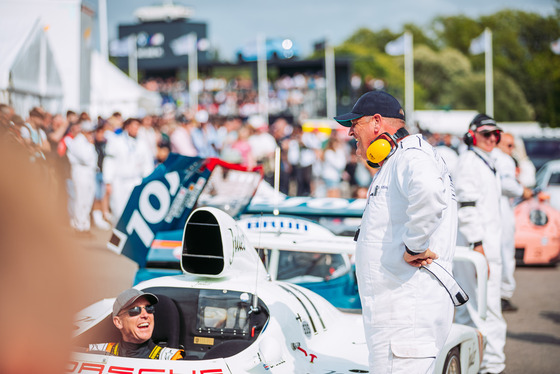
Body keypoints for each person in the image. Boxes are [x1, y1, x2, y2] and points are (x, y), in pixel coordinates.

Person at [334, 91, 457, 374]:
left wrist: (415, 246)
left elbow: (428, 193)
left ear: (377, 123)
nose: (351, 131)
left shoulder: (411, 156)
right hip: (398, 314)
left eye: (355, 123)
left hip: (404, 315)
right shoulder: (402, 157)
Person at [453, 113, 506, 374]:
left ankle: (470, 365)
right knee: (488, 311)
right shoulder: (469, 162)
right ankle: (492, 367)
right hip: (478, 248)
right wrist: (477, 245)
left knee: (469, 312)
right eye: (486, 134)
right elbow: (467, 207)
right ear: (472, 135)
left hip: (481, 246)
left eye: (495, 134)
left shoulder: (484, 160)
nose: (492, 139)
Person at [493, 132, 533, 312]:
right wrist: (522, 191)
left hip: (491, 211)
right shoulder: (503, 159)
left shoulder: (483, 157)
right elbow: (508, 185)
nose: (512, 150)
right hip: (501, 210)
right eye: (509, 146)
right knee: (505, 253)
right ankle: (503, 294)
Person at [89, 289, 184, 360]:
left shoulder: (173, 359)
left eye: (149, 308)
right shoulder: (96, 352)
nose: (145, 315)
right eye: (135, 310)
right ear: (118, 322)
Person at [103, 118, 155, 224]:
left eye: (138, 126)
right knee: (118, 209)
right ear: (127, 127)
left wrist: (148, 179)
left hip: (136, 180)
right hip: (119, 181)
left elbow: (147, 163)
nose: (136, 129)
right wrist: (108, 181)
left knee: (134, 209)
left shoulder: (142, 143)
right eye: (134, 126)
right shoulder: (116, 141)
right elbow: (109, 162)